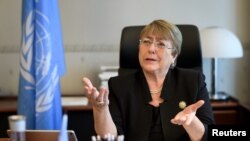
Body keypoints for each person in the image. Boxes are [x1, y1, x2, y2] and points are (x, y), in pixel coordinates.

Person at [83, 19, 214, 141]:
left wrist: (191, 122)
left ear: (174, 55)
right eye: (146, 42)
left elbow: (208, 135)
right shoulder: (119, 85)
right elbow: (109, 138)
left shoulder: (193, 81)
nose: (151, 49)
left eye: (161, 44)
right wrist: (101, 110)